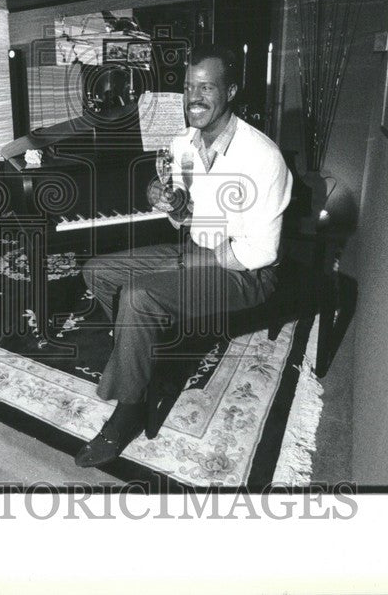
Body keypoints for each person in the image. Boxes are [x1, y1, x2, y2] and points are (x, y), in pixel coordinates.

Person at [76, 45, 292, 467]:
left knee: (139, 294)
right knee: (98, 271)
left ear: (230, 91)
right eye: (189, 86)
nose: (194, 96)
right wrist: (170, 202)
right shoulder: (182, 144)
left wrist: (195, 260)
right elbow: (185, 218)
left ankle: (130, 409)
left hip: (247, 271)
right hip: (197, 248)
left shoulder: (263, 156)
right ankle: (135, 352)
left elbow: (262, 251)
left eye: (206, 87)